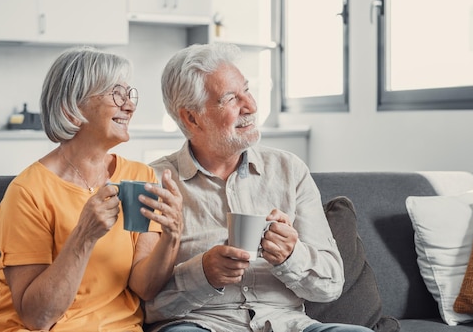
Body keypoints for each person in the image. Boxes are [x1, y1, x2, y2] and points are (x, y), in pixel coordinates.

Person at [144, 42, 372, 332]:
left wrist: (291, 256)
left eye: (247, 90)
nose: (250, 106)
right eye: (230, 99)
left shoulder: (290, 170)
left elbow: (330, 286)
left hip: (289, 325)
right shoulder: (155, 182)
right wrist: (203, 274)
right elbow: (140, 302)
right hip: (201, 323)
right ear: (191, 117)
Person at [0, 47, 183, 332]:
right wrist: (84, 236)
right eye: (115, 94)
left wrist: (172, 236)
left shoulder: (139, 177)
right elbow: (37, 317)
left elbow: (144, 286)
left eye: (129, 94)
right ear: (71, 110)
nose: (130, 106)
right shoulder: (27, 192)